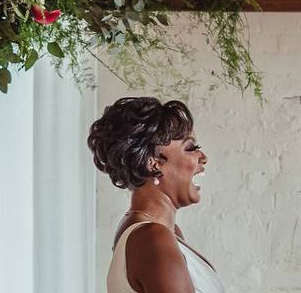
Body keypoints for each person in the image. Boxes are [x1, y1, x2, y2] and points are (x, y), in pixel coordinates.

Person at [88, 97, 225, 293]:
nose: (203, 157)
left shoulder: (165, 232)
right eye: (191, 148)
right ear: (154, 163)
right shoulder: (152, 238)